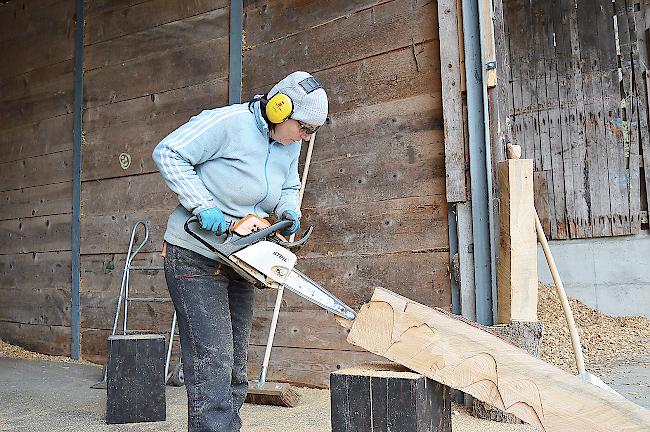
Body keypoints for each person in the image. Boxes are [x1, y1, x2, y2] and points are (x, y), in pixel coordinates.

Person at [152, 71, 328, 432]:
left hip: (242, 256)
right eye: (304, 128)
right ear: (280, 109)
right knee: (211, 358)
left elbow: (289, 184)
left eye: (312, 132)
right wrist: (203, 205)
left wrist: (288, 210)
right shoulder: (227, 122)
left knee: (233, 362)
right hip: (194, 255)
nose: (306, 138)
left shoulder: (289, 144)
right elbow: (168, 152)